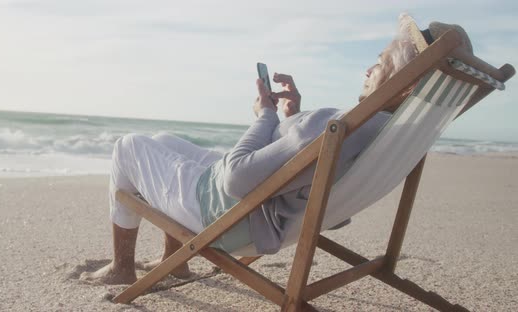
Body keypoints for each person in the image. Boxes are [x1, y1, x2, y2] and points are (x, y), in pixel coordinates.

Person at [80, 14, 473, 285]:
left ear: (403, 80)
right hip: (261, 217)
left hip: (227, 216)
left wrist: (265, 115)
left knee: (128, 147)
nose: (366, 71)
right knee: (164, 142)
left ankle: (122, 268)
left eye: (379, 62)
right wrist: (293, 118)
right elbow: (324, 197)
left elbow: (236, 179)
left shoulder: (344, 122)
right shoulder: (384, 131)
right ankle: (174, 265)